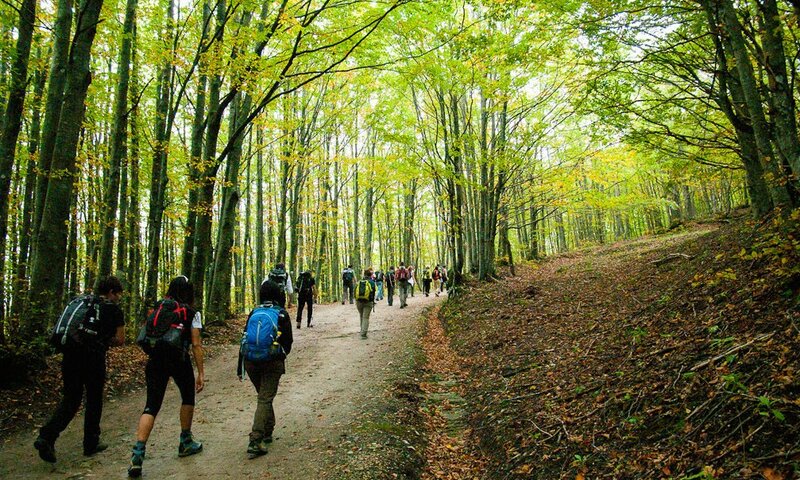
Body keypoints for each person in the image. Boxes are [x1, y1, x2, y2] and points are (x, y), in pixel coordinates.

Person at [34, 276, 125, 463]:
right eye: (118, 295)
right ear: (111, 292)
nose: (118, 298)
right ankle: (91, 442)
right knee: (94, 398)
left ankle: (47, 436)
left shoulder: (81, 302)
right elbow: (120, 340)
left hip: (70, 355)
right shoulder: (112, 309)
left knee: (71, 399)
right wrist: (103, 339)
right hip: (93, 358)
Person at [128, 276, 205, 478]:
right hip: (179, 360)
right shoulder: (191, 313)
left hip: (155, 360)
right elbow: (196, 344)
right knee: (187, 397)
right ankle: (185, 441)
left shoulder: (159, 307)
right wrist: (201, 372)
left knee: (151, 406)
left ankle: (138, 453)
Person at [238, 280, 293, 458]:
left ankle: (268, 430)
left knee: (263, 396)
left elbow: (245, 337)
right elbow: (288, 342)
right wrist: (279, 355)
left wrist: (241, 366)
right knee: (265, 398)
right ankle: (255, 439)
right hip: (272, 361)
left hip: (250, 361)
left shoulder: (254, 312)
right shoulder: (281, 314)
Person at [354, 269, 376, 339]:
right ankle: (363, 334)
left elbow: (355, 292)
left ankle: (362, 330)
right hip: (368, 302)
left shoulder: (359, 282)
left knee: (361, 316)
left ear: (364, 274)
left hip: (359, 302)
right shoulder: (372, 282)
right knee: (365, 317)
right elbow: (374, 292)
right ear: (371, 275)